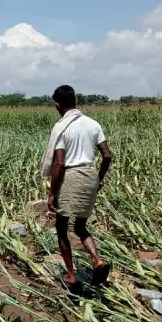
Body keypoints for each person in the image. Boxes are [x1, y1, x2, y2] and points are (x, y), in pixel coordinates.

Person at [39, 85, 112, 292]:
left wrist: (52, 193)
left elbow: (59, 164)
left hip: (72, 176)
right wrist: (99, 179)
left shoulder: (62, 128)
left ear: (57, 105)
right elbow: (107, 155)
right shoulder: (93, 124)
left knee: (62, 228)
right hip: (90, 175)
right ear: (75, 101)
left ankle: (71, 275)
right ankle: (97, 259)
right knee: (80, 227)